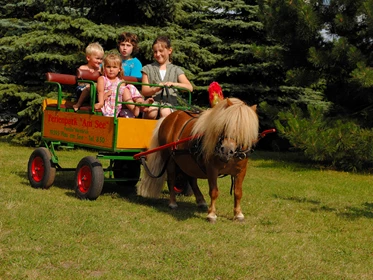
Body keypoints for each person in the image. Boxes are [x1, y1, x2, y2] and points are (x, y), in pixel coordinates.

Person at [141, 36, 193, 119]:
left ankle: (165, 131)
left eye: (161, 51)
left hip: (170, 104)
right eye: (155, 52)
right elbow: (144, 91)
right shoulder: (147, 69)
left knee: (165, 111)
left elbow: (189, 87)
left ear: (169, 51)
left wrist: (173, 84)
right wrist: (156, 89)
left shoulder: (176, 70)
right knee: (152, 111)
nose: (158, 54)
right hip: (152, 102)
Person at [94, 53, 150, 117]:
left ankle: (140, 102)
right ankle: (136, 108)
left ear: (119, 69)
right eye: (108, 67)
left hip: (121, 101)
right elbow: (100, 92)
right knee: (124, 89)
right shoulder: (102, 79)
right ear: (104, 68)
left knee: (129, 87)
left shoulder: (121, 81)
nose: (111, 70)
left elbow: (124, 95)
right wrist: (101, 103)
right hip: (110, 100)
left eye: (114, 67)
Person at [73, 42, 104, 112]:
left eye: (101, 59)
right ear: (88, 58)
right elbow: (80, 82)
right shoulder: (83, 68)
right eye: (97, 58)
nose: (99, 61)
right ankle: (78, 104)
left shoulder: (100, 69)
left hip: (94, 91)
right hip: (82, 89)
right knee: (89, 87)